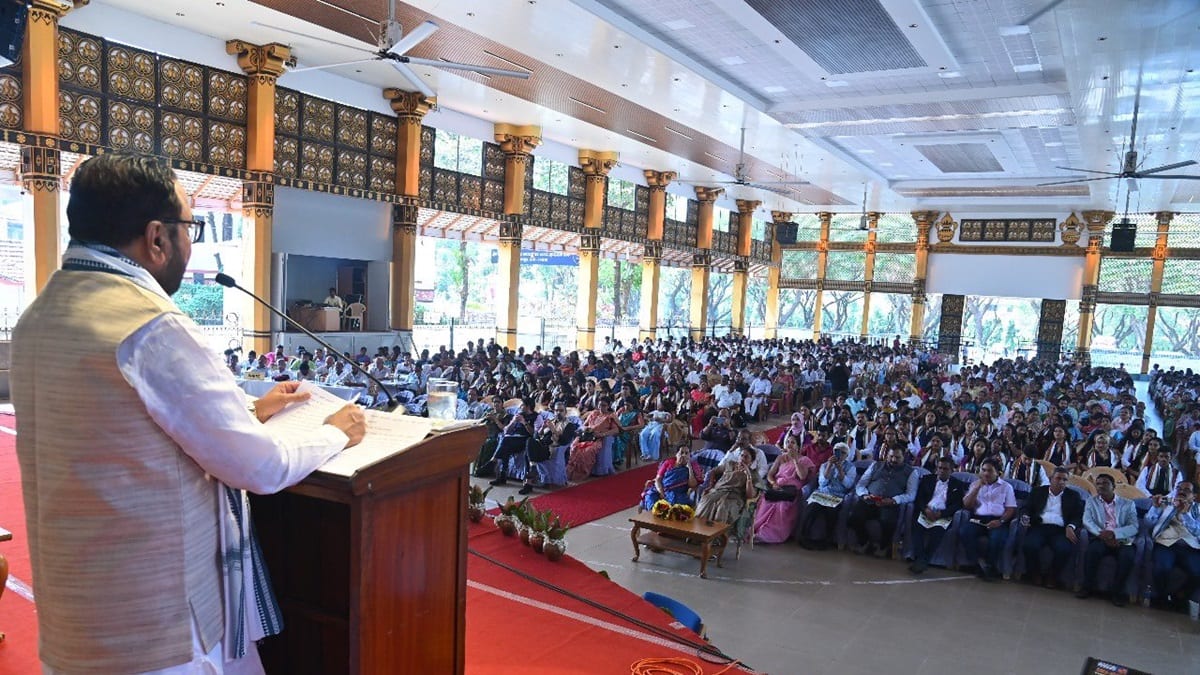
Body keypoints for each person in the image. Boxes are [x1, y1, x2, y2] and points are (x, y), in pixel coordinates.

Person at [11, 153, 367, 674]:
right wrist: (334, 433)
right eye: (190, 226)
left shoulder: (37, 318)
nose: (189, 243)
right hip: (156, 629)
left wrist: (250, 408)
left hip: (78, 616)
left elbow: (120, 423)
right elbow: (259, 468)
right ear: (157, 237)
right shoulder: (150, 324)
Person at [1077, 473, 1139, 606]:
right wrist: (1102, 535)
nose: (1100, 486)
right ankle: (1087, 587)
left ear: (1113, 486)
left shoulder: (1128, 504)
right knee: (1093, 551)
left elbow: (1134, 526)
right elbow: (1087, 521)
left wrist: (1114, 534)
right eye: (1098, 483)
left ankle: (1117, 592)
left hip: (1122, 540)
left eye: (1105, 483)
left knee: (1127, 557)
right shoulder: (1091, 501)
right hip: (1100, 538)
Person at [1020, 466, 1084, 589]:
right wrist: (1025, 516)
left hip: (1060, 530)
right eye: (1058, 478)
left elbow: (1078, 516)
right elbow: (1026, 508)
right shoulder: (1038, 491)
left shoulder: (1073, 496)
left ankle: (1053, 576)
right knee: (1029, 545)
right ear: (1050, 479)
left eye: (1064, 479)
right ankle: (1035, 573)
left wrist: (1071, 526)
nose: (1061, 482)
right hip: (1039, 526)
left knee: (1064, 549)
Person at [848, 446, 918, 556]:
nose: (894, 460)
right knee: (854, 517)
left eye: (897, 457)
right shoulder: (875, 465)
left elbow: (911, 495)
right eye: (891, 457)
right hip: (870, 500)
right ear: (886, 456)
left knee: (888, 522)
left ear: (904, 457)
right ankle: (864, 542)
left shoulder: (911, 472)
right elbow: (861, 484)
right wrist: (865, 495)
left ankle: (884, 546)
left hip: (890, 503)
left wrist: (894, 500)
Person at [958, 458, 1017, 581]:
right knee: (965, 532)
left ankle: (990, 566)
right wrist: (976, 488)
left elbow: (1011, 509)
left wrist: (1000, 521)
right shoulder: (975, 484)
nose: (986, 473)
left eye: (990, 471)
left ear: (998, 473)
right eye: (983, 470)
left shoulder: (1007, 487)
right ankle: (976, 564)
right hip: (978, 519)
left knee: (997, 538)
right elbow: (967, 505)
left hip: (998, 521)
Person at [1144, 481, 1200, 609]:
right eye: (1179, 488)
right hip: (1166, 544)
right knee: (1162, 568)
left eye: (1186, 490)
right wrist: (1155, 507)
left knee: (1198, 572)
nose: (1181, 491)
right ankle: (1161, 597)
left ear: (1194, 496)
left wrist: (1185, 514)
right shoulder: (1165, 503)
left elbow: (1198, 531)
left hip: (1190, 547)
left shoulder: (1198, 509)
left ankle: (1180, 596)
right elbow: (1148, 524)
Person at [908, 456, 966, 574]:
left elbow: (958, 504)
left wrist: (942, 513)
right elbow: (919, 498)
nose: (942, 471)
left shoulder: (958, 484)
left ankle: (924, 560)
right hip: (926, 511)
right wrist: (926, 510)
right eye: (940, 468)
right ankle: (921, 560)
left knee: (937, 532)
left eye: (945, 469)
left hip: (943, 514)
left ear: (951, 470)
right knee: (917, 528)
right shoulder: (927, 479)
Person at [753, 435, 815, 544]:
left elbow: (802, 477)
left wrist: (795, 460)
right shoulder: (781, 458)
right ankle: (758, 528)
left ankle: (770, 534)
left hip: (792, 491)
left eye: (793, 443)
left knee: (781, 506)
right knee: (765, 499)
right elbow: (770, 475)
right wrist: (773, 483)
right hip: (778, 487)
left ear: (798, 446)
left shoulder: (804, 460)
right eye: (788, 442)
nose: (789, 445)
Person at [797, 442, 857, 550]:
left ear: (847, 455)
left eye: (843, 453)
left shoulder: (851, 467)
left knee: (831, 512)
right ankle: (803, 536)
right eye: (837, 451)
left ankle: (826, 540)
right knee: (811, 508)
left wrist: (840, 471)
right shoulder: (825, 464)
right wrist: (829, 466)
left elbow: (849, 485)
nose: (839, 454)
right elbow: (822, 483)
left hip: (837, 495)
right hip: (822, 493)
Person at [695, 449, 758, 526]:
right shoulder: (730, 464)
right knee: (707, 500)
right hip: (718, 491)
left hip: (734, 497)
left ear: (751, 462)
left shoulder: (753, 474)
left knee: (723, 506)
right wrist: (710, 485)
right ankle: (698, 528)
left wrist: (748, 476)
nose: (742, 458)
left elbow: (750, 495)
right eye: (741, 455)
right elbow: (713, 471)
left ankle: (717, 534)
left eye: (746, 457)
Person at [641, 446, 703, 512]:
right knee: (651, 498)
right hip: (662, 489)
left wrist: (689, 468)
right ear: (676, 454)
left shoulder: (693, 466)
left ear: (689, 455)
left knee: (676, 506)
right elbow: (658, 479)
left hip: (678, 493)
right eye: (681, 453)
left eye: (686, 453)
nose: (684, 455)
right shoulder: (668, 463)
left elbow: (692, 485)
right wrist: (662, 493)